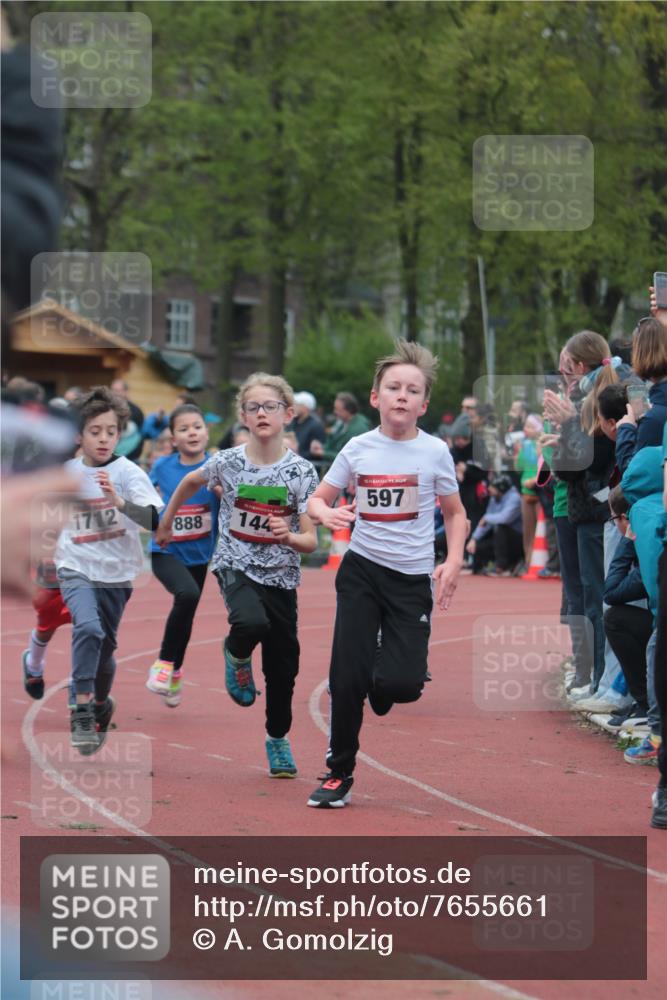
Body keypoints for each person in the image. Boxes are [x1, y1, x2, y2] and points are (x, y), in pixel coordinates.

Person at [306, 339, 466, 808]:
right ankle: (338, 773)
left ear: (424, 404)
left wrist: (452, 560)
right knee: (346, 677)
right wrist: (325, 514)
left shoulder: (435, 452)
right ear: (375, 397)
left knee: (400, 686)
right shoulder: (357, 448)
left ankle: (382, 673)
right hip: (361, 572)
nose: (402, 395)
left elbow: (456, 514)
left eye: (411, 390)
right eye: (392, 387)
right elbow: (319, 497)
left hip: (411, 579)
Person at [155, 373, 318, 778]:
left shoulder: (301, 473)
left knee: (284, 668)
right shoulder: (228, 462)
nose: (261, 413)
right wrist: (166, 522)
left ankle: (277, 739)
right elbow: (191, 481)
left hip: (281, 575)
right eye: (253, 407)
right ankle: (237, 652)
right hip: (235, 563)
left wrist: (291, 536)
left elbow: (312, 541)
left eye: (271, 406)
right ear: (243, 416)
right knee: (249, 621)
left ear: (288, 414)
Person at [55, 387, 163, 753]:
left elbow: (153, 520)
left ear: (120, 434)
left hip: (116, 573)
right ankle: (82, 709)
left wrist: (118, 501)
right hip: (74, 566)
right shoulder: (67, 472)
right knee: (87, 628)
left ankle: (101, 703)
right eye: (95, 431)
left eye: (111, 431)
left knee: (105, 647)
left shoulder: (129, 472)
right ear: (79, 435)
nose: (103, 438)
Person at [146, 404, 219, 707]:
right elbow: (144, 499)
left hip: (200, 554)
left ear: (206, 430)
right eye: (184, 428)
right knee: (187, 595)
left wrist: (223, 493)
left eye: (197, 426)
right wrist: (154, 519)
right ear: (174, 437)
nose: (192, 432)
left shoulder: (218, 465)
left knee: (186, 613)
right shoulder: (162, 467)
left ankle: (176, 670)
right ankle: (163, 663)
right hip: (166, 551)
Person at [466, 474, 523, 576]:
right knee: (478, 546)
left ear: (501, 488)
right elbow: (486, 522)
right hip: (500, 539)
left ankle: (502, 567)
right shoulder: (494, 498)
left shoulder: (515, 498)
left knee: (500, 527)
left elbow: (504, 518)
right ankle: (481, 566)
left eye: (492, 487)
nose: (489, 489)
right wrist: (474, 539)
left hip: (516, 540)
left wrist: (487, 518)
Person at [310, 392, 370, 463]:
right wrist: (322, 447)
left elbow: (349, 456)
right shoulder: (341, 422)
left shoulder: (359, 429)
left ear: (348, 410)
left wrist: (323, 453)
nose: (334, 412)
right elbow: (334, 444)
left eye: (337, 409)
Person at [110, 378, 145, 462]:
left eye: (118, 390)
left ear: (125, 392)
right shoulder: (106, 409)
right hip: (109, 457)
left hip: (131, 458)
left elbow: (140, 436)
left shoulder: (136, 411)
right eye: (113, 390)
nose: (115, 393)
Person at [288, 391, 325, 459]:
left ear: (305, 407)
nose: (294, 407)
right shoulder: (294, 422)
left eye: (297, 404)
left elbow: (316, 452)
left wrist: (296, 456)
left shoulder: (316, 425)